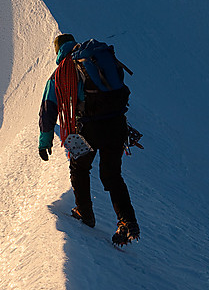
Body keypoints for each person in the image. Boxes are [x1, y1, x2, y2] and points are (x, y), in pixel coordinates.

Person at [38, 33, 140, 245]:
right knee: (112, 175)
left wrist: (44, 141)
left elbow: (49, 110)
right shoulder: (97, 61)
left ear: (57, 50)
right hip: (118, 124)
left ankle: (85, 212)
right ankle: (127, 223)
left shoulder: (61, 73)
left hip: (89, 127)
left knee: (79, 167)